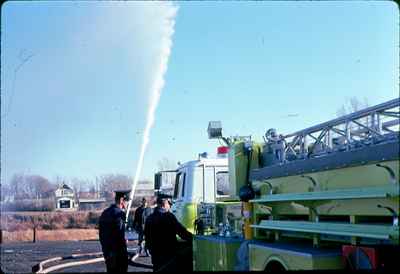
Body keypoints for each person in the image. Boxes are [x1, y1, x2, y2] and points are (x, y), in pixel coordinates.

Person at [144, 193, 193, 272]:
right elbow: (182, 233)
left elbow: (147, 238)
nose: (170, 206)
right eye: (169, 204)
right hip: (169, 257)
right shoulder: (169, 217)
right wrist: (194, 239)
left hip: (156, 257)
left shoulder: (149, 218)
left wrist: (152, 251)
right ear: (164, 204)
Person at [98, 190, 130, 273]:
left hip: (108, 253)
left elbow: (101, 235)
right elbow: (118, 235)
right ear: (121, 200)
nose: (127, 204)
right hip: (118, 255)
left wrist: (107, 252)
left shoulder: (105, 213)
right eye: (127, 201)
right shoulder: (119, 214)